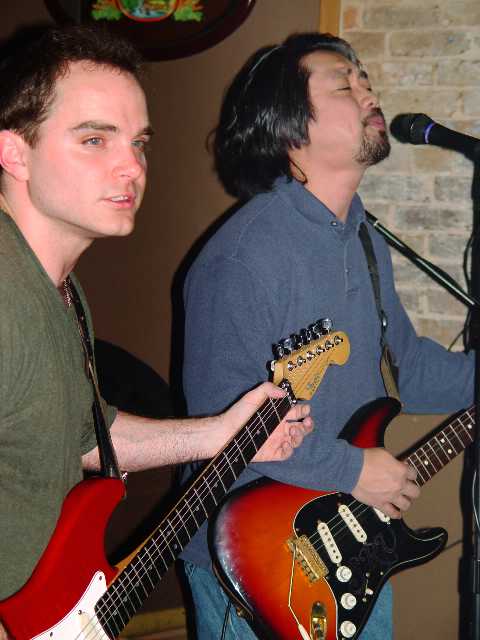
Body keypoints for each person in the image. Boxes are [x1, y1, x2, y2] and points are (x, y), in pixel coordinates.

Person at [0, 25, 313, 636]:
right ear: (15, 153)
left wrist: (220, 435)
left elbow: (83, 436)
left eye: (138, 142)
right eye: (95, 139)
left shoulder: (60, 290)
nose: (132, 166)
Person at [180, 32, 474, 639]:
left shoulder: (364, 240)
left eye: (365, 79)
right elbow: (220, 431)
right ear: (290, 127)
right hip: (257, 565)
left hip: (355, 550)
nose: (368, 92)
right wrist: (351, 468)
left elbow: (411, 370)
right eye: (345, 83)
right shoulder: (243, 256)